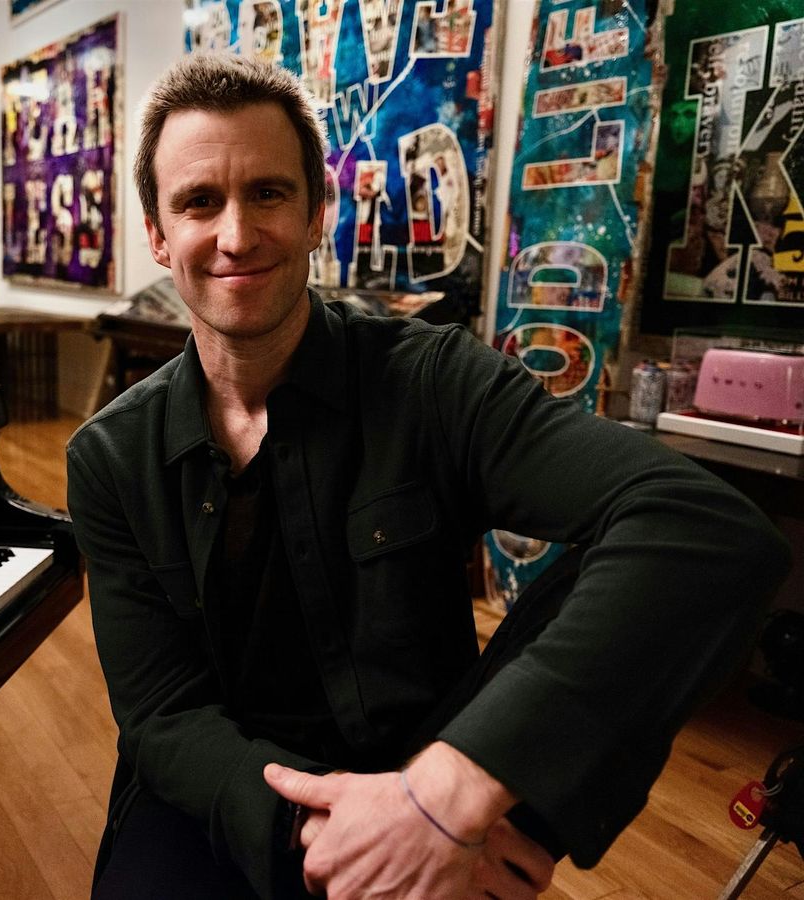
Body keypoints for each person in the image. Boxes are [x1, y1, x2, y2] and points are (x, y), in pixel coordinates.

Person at [65, 52, 792, 900]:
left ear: (316, 213)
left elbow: (709, 529)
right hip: (221, 787)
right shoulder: (110, 456)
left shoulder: (433, 380)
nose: (236, 235)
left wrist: (451, 792)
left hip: (428, 765)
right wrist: (333, 828)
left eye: (267, 193)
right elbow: (163, 714)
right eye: (199, 202)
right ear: (158, 235)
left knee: (626, 558)